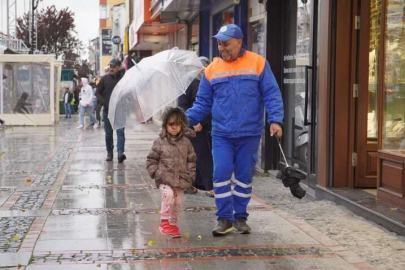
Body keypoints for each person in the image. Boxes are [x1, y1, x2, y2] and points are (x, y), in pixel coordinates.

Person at [186, 24, 284, 236]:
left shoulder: (258, 63)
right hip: (222, 134)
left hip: (249, 134)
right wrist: (183, 120)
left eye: (226, 44)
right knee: (220, 174)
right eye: (219, 44)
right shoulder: (211, 69)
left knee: (243, 177)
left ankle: (240, 217)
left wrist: (275, 120)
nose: (222, 48)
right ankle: (224, 219)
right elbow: (202, 103)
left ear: (239, 42)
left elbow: (271, 93)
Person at [146, 107, 196, 238]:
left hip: (181, 178)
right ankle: (164, 221)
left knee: (177, 201)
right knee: (168, 195)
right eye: (171, 124)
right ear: (165, 125)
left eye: (177, 124)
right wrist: (156, 173)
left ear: (182, 125)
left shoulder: (186, 143)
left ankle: (173, 224)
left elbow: (191, 160)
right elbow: (151, 159)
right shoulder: (160, 142)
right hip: (164, 178)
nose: (174, 127)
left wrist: (191, 175)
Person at [178, 56, 214, 197]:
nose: (205, 69)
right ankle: (210, 186)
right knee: (203, 156)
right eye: (204, 67)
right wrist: (195, 122)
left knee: (198, 156)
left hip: (208, 125)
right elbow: (182, 106)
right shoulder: (188, 84)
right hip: (194, 126)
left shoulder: (209, 82)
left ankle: (191, 184)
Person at [97, 58, 126, 163]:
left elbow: (127, 93)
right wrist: (104, 102)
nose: (111, 68)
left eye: (114, 66)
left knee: (120, 132)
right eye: (110, 66)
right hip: (107, 111)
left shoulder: (124, 79)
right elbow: (98, 92)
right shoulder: (104, 79)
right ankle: (110, 153)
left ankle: (120, 153)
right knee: (108, 133)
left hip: (120, 111)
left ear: (119, 67)